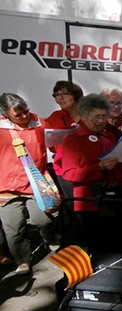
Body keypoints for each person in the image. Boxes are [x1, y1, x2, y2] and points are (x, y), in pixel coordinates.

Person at [58, 94, 122, 253]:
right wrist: (99, 168)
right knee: (99, 249)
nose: (101, 121)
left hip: (116, 197)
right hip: (91, 202)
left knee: (120, 245)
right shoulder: (73, 139)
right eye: (96, 116)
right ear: (82, 115)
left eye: (104, 116)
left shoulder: (110, 135)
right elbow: (69, 174)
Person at [0, 93, 58, 274]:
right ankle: (23, 260)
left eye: (26, 111)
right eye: (18, 115)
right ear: (6, 114)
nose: (24, 116)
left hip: (35, 183)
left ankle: (51, 239)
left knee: (43, 219)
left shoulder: (41, 125)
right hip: (6, 187)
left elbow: (56, 147)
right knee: (13, 229)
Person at [42, 81, 84, 200]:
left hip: (88, 166)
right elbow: (50, 145)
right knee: (72, 204)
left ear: (76, 95)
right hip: (64, 167)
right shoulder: (55, 116)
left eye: (64, 94)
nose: (60, 98)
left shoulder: (89, 115)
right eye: (57, 95)